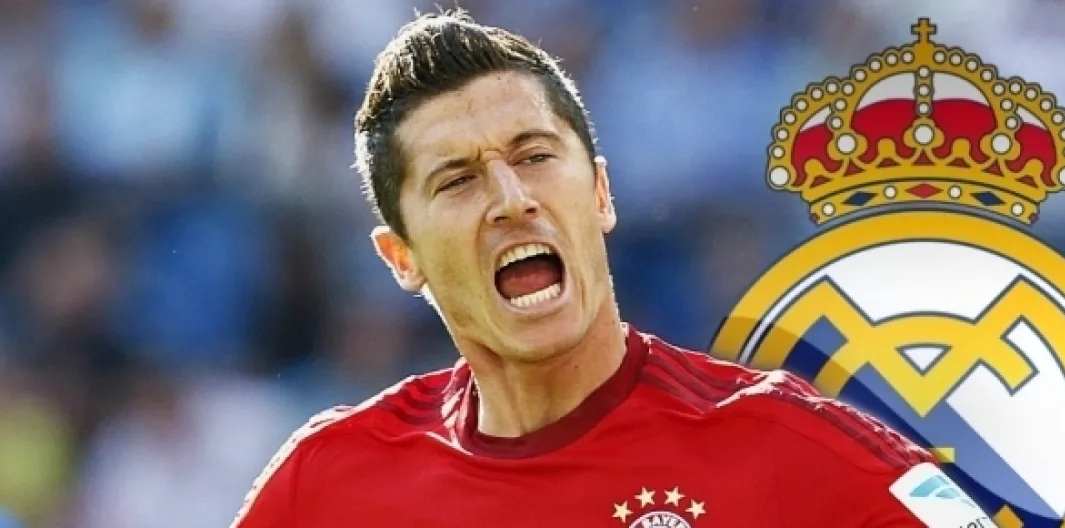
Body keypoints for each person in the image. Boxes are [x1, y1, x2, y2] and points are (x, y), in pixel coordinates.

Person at [232, 9, 994, 528]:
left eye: (535, 156)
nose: (511, 200)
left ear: (600, 193)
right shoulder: (326, 483)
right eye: (457, 180)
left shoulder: (791, 452)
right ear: (401, 258)